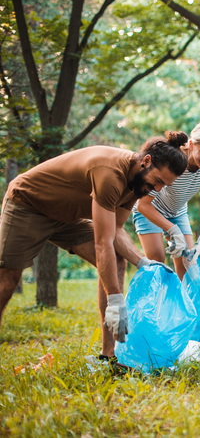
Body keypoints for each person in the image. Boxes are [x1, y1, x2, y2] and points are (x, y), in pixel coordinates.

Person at [0, 132, 188, 364]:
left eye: (164, 185)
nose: (158, 189)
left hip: (66, 217)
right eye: (158, 181)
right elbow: (103, 242)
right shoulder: (110, 173)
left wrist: (141, 262)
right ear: (146, 161)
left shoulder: (137, 184)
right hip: (29, 203)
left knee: (118, 259)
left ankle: (108, 355)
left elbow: (117, 231)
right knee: (8, 280)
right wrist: (116, 300)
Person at [133, 120, 200, 277]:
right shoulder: (174, 160)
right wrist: (172, 230)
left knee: (188, 267)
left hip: (177, 212)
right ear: (191, 144)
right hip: (150, 209)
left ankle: (180, 302)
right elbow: (143, 205)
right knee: (157, 264)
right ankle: (155, 301)